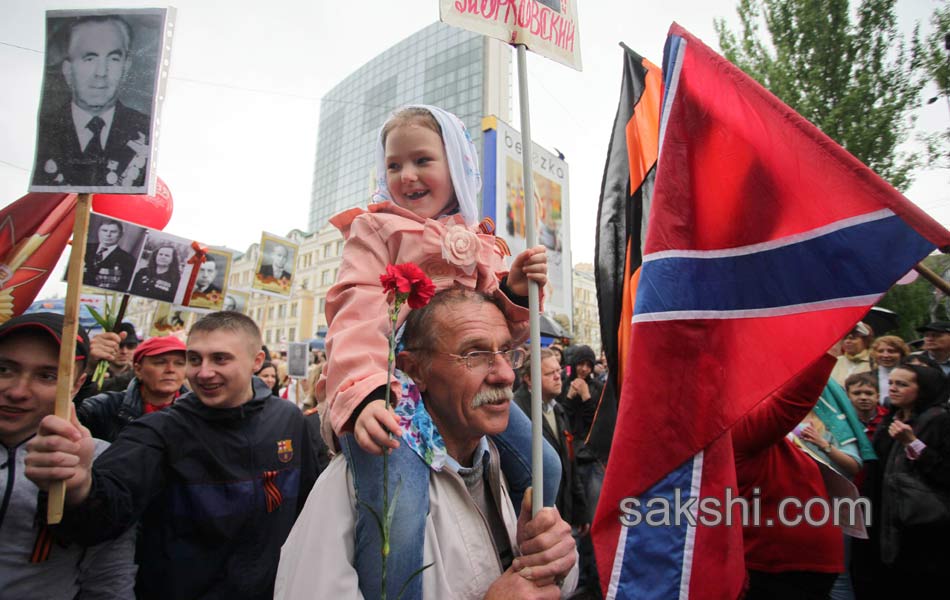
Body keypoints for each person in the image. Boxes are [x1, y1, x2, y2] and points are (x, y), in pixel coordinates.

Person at [315, 104, 559, 599]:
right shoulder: (376, 230)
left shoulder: (481, 242)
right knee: (399, 508)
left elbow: (498, 333)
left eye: (422, 160)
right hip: (392, 392)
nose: (406, 175)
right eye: (393, 165)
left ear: (458, 166)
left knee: (545, 466)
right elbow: (357, 312)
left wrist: (512, 291)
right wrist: (366, 395)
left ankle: (524, 561)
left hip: (460, 390)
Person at [276, 289, 577, 599]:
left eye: (507, 353)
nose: (504, 375)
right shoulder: (360, 482)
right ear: (416, 370)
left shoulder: (511, 465)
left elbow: (551, 585)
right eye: (475, 355)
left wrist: (555, 562)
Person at [24, 311, 321, 599]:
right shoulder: (160, 430)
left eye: (220, 358)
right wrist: (78, 486)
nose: (203, 372)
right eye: (194, 359)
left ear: (256, 361)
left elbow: (308, 508)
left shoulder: (289, 419)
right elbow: (104, 514)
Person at [0, 313, 137, 598]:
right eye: (4, 370)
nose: (17, 391)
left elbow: (109, 579)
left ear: (77, 385)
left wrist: (82, 492)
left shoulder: (100, 459)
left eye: (48, 376)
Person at [732, 353, 846, 599]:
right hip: (778, 565)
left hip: (797, 564)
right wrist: (829, 348)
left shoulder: (751, 428)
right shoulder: (737, 430)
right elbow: (791, 403)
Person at [855, 363, 950, 596]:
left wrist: (913, 443)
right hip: (883, 518)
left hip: (922, 527)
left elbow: (945, 472)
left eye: (902, 384)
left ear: (924, 388)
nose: (893, 389)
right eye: (891, 383)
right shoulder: (891, 419)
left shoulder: (939, 420)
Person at [32, 15, 150, 189]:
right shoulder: (48, 129)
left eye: (113, 58)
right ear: (68, 70)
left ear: (126, 67)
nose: (101, 73)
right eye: (90, 58)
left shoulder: (144, 129)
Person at [77, 336, 187, 442]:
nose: (171, 370)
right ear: (138, 370)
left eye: (179, 363)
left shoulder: (197, 412)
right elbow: (69, 415)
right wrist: (89, 368)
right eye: (160, 362)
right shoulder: (107, 405)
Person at [82, 218, 136, 291]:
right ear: (98, 232)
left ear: (120, 235)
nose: (108, 234)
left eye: (113, 232)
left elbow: (123, 287)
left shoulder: (128, 259)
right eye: (104, 230)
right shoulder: (84, 247)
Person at [868, 335, 909, 406]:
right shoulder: (867, 377)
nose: (885, 355)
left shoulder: (911, 376)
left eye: (891, 351)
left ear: (901, 354)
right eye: (880, 351)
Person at [830, 322, 874, 386]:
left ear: (866, 341)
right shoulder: (836, 361)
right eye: (845, 338)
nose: (847, 341)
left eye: (853, 338)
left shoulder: (873, 362)